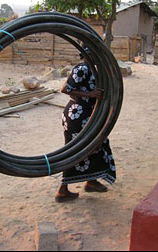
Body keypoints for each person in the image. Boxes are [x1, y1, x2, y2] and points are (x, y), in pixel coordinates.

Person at [55, 45, 116, 202]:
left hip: (87, 115)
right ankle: (62, 191)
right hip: (77, 115)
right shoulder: (82, 68)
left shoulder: (92, 69)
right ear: (88, 54)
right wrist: (90, 94)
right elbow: (65, 89)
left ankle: (91, 181)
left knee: (96, 146)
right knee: (76, 150)